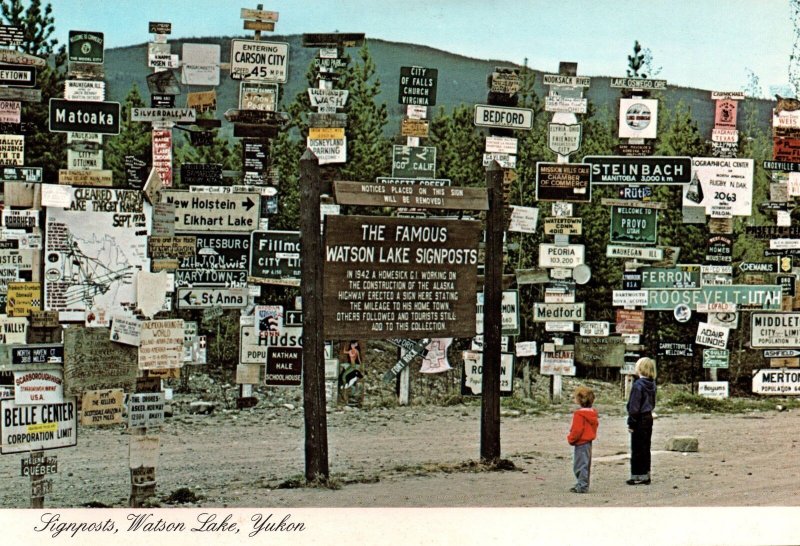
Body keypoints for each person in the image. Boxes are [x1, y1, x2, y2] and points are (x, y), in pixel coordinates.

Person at [627, 357, 657, 485]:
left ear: (640, 369)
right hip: (648, 417)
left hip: (639, 418)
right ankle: (646, 474)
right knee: (646, 446)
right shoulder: (652, 384)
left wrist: (631, 422)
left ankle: (637, 475)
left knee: (637, 447)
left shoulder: (637, 385)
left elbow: (634, 407)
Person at [567, 386, 599, 493]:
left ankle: (582, 485)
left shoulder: (579, 415)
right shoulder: (592, 414)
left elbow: (577, 430)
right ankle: (582, 483)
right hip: (588, 441)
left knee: (579, 465)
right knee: (585, 463)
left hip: (580, 442)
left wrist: (571, 439)